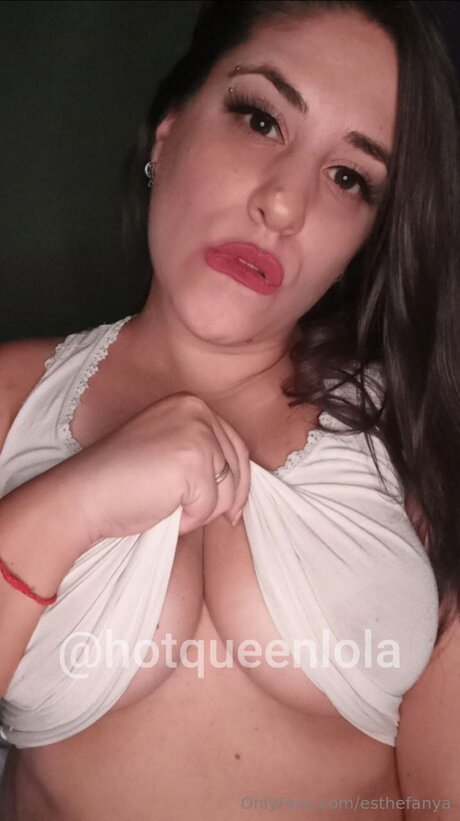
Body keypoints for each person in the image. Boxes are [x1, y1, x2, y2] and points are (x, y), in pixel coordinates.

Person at [0, 0, 459, 818]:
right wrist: (66, 506)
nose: (284, 205)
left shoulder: (417, 428)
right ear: (168, 130)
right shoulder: (9, 400)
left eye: (348, 178)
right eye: (260, 119)